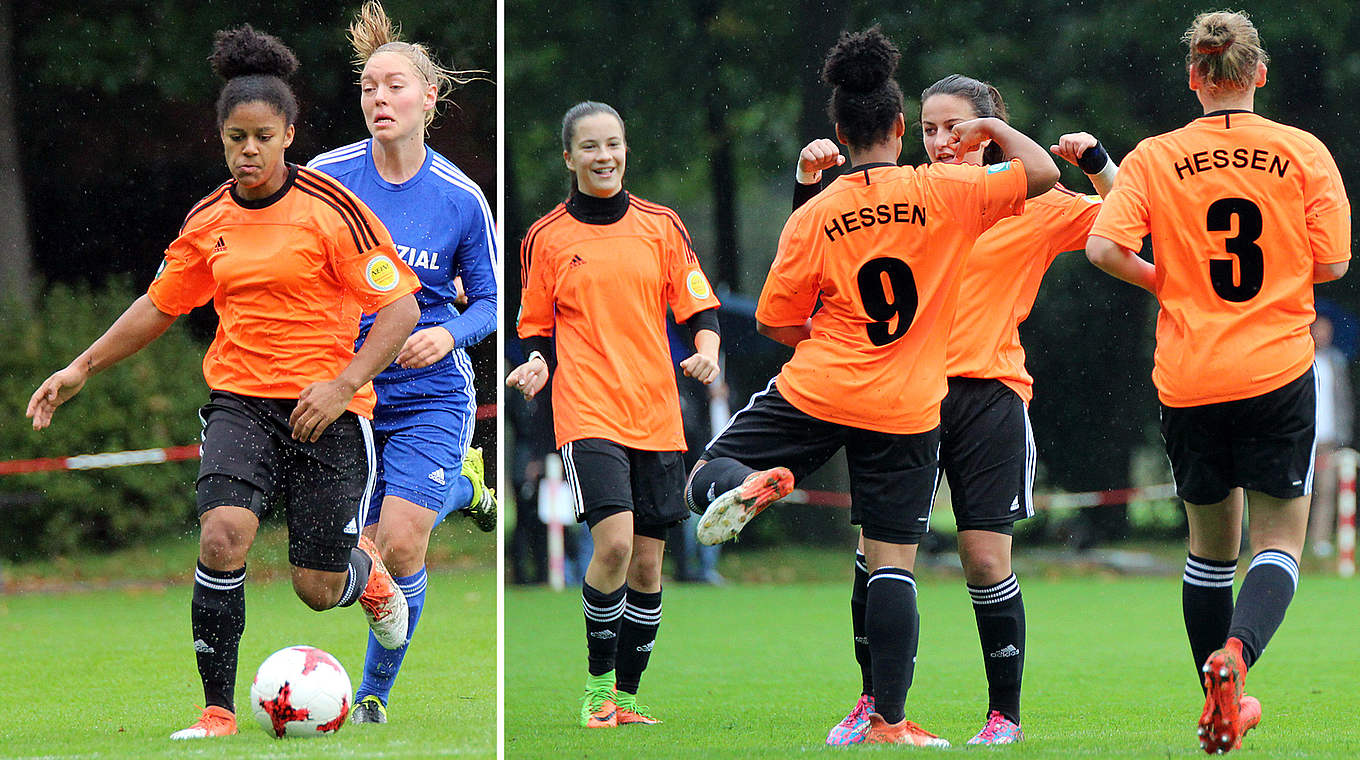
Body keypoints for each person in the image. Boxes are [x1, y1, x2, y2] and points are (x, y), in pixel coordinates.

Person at [26, 25, 423, 740]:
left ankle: (363, 575)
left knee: (314, 587)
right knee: (222, 538)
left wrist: (343, 383)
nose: (249, 150)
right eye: (236, 137)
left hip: (327, 411)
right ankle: (217, 712)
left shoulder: (334, 211)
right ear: (220, 137)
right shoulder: (208, 219)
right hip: (241, 401)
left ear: (288, 134)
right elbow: (159, 304)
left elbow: (400, 307)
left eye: (263, 137)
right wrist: (80, 366)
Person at [686, 27, 1058, 746]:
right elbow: (1041, 175)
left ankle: (754, 477)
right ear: (898, 128)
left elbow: (776, 322)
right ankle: (889, 721)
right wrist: (994, 128)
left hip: (823, 387)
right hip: (909, 402)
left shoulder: (817, 214)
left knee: (701, 468)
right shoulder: (945, 189)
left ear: (839, 132)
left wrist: (834, 343)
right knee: (892, 565)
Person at [793, 74, 1119, 746]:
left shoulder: (1036, 202)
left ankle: (1004, 716)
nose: (942, 141)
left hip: (990, 395)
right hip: (902, 391)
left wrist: (1097, 163)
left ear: (991, 130)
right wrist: (807, 185)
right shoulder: (911, 194)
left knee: (984, 558)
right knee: (880, 554)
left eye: (958, 128)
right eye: (931, 128)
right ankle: (877, 707)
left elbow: (1128, 217)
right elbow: (824, 245)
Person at [1085, 10, 1349, 754]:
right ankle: (1238, 658)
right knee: (1279, 542)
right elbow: (1330, 265)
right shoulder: (1302, 152)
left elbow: (1105, 246)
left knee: (1208, 552)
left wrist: (1165, 279)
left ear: (1195, 76)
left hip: (1190, 374)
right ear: (1257, 74)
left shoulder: (1154, 156)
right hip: (1276, 367)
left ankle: (1218, 699)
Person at [306, 0, 498, 725]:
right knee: (342, 558)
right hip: (350, 393)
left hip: (430, 393)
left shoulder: (458, 197)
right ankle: (465, 490)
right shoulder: (325, 180)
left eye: (394, 87)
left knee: (398, 540)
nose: (379, 100)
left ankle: (372, 696)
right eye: (368, 89)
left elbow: (487, 302)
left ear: (429, 97)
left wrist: (448, 336)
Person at [506, 100, 722, 728]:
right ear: (568, 157)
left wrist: (707, 354)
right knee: (616, 546)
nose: (605, 157)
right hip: (587, 413)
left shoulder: (661, 226)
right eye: (591, 147)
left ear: (626, 150)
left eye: (614, 144)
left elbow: (699, 310)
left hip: (657, 414)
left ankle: (628, 699)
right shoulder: (545, 238)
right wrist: (537, 367)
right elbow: (538, 332)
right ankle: (597, 692)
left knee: (651, 563)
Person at [1306, 314, 1353, 557]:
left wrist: (1343, 436)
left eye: (1327, 330)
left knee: (1326, 491)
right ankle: (1290, 541)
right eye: (1319, 330)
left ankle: (1320, 540)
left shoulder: (1336, 361)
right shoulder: (1300, 359)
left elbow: (1345, 401)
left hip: (1328, 440)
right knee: (1298, 491)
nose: (1323, 335)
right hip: (1302, 438)